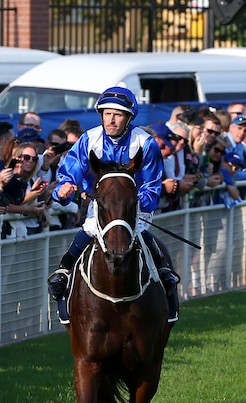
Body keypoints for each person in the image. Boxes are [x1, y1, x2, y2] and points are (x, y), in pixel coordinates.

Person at [46, 86, 180, 323]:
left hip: (134, 208)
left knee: (138, 231)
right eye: (107, 113)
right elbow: (69, 175)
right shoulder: (89, 139)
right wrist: (63, 191)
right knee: (89, 229)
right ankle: (64, 272)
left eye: (118, 114)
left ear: (129, 118)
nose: (111, 119)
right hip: (100, 207)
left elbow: (152, 185)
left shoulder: (145, 143)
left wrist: (135, 204)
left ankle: (164, 272)